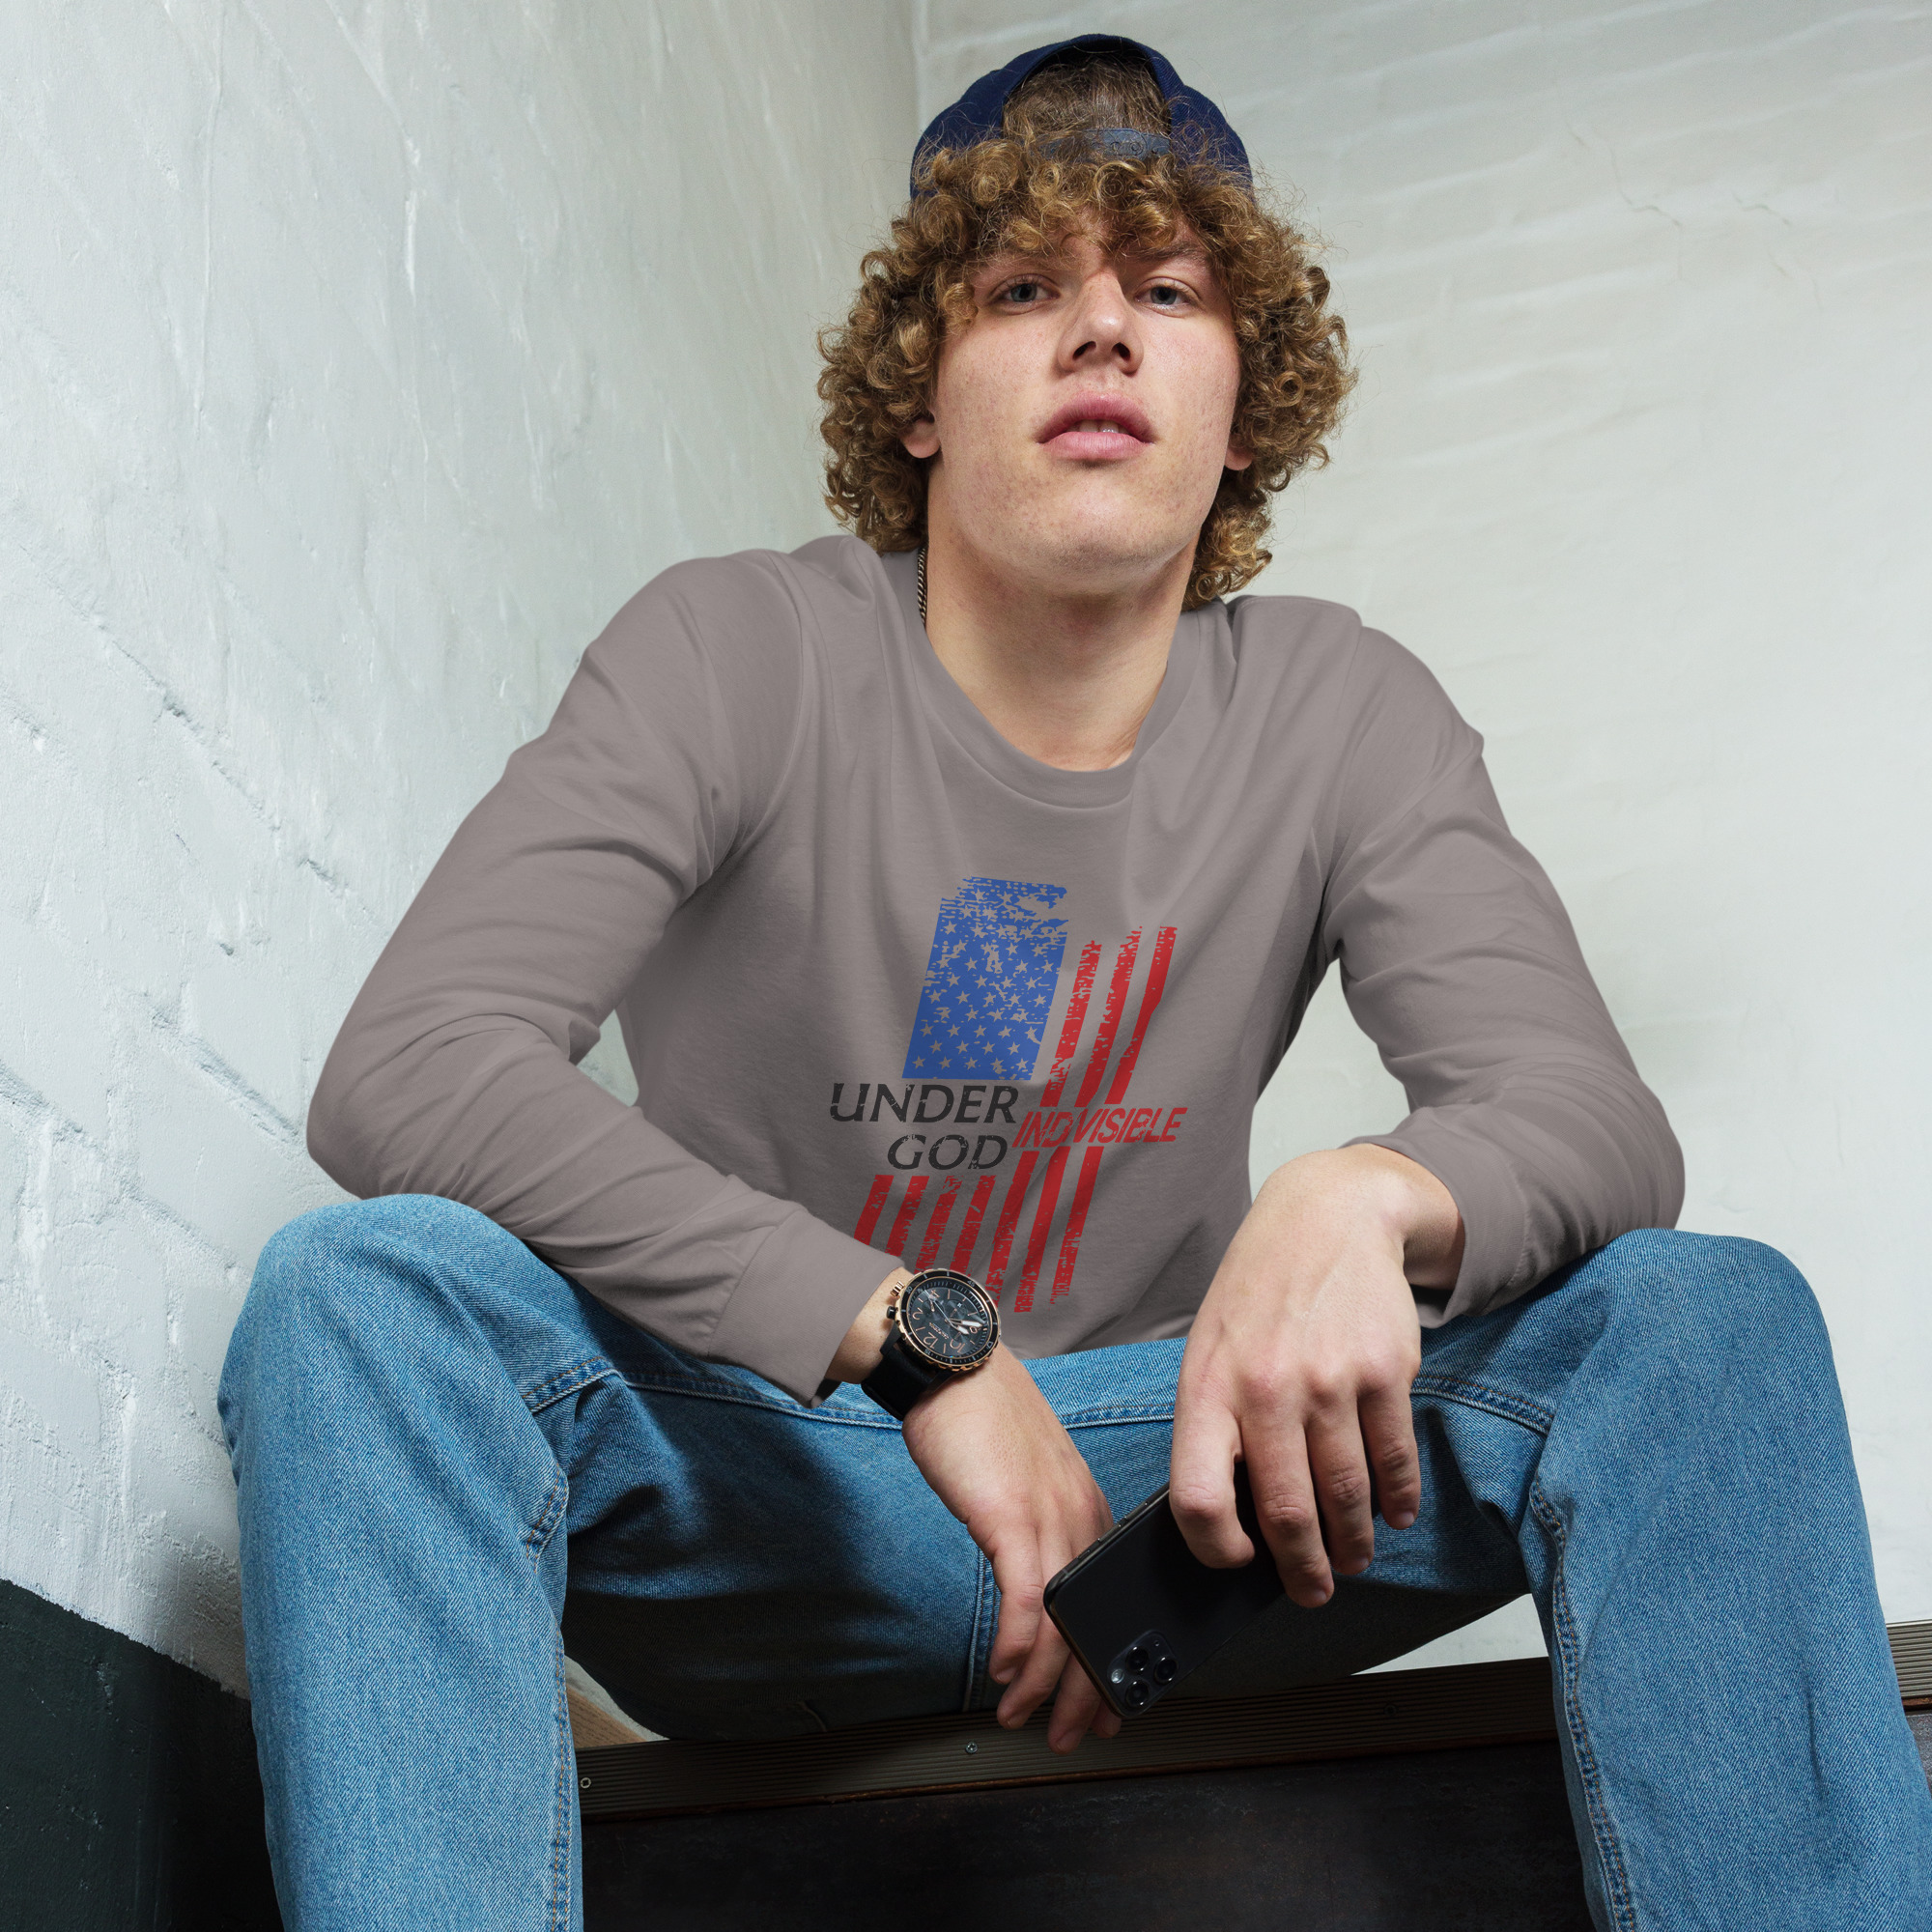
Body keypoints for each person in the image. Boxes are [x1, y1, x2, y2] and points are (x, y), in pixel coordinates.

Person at [218, 34, 1931, 1931]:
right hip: (779, 1481)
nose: (1101, 330)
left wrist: (1361, 1195)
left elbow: (1592, 1117)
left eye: (1168, 293)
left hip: (1180, 1520)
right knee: (364, 1295)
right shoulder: (736, 648)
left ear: (1242, 409)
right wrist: (910, 1337)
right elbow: (413, 1062)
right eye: (1024, 286)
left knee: (1699, 1319)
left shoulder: (1339, 704)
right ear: (920, 398)